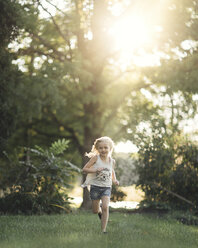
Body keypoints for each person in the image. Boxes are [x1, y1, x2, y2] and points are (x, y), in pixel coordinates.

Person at [82, 136, 119, 234]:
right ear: (97, 149)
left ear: (110, 148)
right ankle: (99, 212)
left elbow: (112, 171)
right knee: (95, 210)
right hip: (95, 187)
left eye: (105, 147)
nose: (103, 150)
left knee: (105, 207)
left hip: (106, 187)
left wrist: (114, 180)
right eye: (101, 148)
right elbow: (84, 169)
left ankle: (103, 230)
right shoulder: (96, 158)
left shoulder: (112, 161)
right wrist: (95, 170)